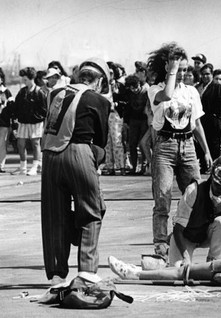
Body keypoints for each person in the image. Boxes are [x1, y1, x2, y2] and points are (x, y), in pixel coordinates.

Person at [41, 57, 111, 286]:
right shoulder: (98, 99)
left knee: (55, 215)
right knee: (91, 212)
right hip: (80, 153)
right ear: (99, 80)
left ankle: (57, 275)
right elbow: (100, 141)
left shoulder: (54, 93)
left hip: (50, 156)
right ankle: (87, 273)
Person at [147, 42, 212, 257]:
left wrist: (206, 151)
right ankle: (160, 245)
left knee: (195, 194)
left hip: (188, 145)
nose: (183, 74)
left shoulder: (192, 91)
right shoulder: (155, 89)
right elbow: (166, 95)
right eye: (178, 69)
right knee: (163, 198)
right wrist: (171, 72)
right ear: (167, 66)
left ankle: (187, 237)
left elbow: (197, 123)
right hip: (165, 146)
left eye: (185, 69)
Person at [169, 154, 221, 266]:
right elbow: (178, 229)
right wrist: (185, 258)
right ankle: (170, 253)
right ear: (213, 172)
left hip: (208, 235)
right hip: (186, 237)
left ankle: (213, 259)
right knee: (178, 271)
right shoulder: (193, 190)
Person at [10, 67, 47, 176]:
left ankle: (35, 167)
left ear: (32, 79)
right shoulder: (22, 92)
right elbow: (17, 106)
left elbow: (44, 109)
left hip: (35, 122)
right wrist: (16, 119)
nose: (23, 82)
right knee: (20, 144)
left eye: (25, 79)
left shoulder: (39, 92)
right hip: (23, 122)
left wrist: (36, 117)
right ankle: (23, 166)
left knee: (35, 143)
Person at [198, 68, 221, 173]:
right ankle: (205, 165)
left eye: (207, 74)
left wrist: (216, 114)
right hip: (203, 120)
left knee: (214, 145)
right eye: (203, 74)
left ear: (212, 74)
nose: (205, 76)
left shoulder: (217, 86)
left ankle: (213, 166)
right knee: (203, 142)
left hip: (214, 120)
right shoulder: (200, 87)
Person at [121, 74, 149, 175]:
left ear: (139, 84)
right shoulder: (129, 93)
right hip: (133, 120)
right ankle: (133, 167)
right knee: (132, 144)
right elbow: (127, 108)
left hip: (144, 121)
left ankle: (144, 167)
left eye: (135, 87)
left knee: (143, 144)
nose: (134, 90)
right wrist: (126, 121)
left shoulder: (147, 92)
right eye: (132, 88)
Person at [0, 68, 14, 173]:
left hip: (3, 122)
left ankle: (1, 165)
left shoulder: (6, 92)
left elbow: (11, 108)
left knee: (2, 143)